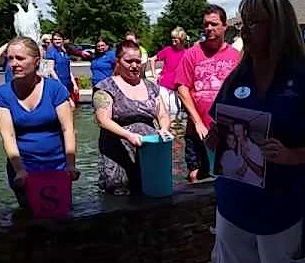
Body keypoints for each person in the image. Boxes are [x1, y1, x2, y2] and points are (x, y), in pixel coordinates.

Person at [205, 0, 305, 263]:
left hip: (285, 208)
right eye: (241, 23)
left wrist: (293, 156)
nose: (244, 32)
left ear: (278, 26)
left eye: (253, 23)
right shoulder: (237, 77)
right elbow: (218, 129)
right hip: (233, 206)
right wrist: (214, 140)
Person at [0, 36, 78, 207]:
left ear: (36, 61)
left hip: (57, 166)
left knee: (61, 216)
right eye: (10, 59)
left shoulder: (55, 89)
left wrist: (71, 164)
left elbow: (68, 129)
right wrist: (19, 170)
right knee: (29, 215)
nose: (14, 64)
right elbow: (8, 135)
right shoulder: (2, 95)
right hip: (23, 168)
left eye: (20, 58)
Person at [92, 40, 171, 196]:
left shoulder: (151, 87)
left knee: (150, 194)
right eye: (128, 61)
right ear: (118, 62)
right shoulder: (105, 87)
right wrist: (129, 135)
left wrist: (164, 129)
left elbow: (162, 114)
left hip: (148, 151)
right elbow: (103, 120)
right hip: (118, 151)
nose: (134, 65)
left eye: (137, 61)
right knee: (119, 197)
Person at [175, 4, 240, 182]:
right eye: (206, 25)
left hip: (227, 132)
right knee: (196, 176)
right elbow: (182, 88)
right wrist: (197, 121)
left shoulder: (235, 56)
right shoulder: (191, 54)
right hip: (197, 131)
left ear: (225, 26)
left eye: (214, 24)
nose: (209, 28)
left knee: (227, 176)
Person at [149, 27, 187, 120]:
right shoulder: (167, 50)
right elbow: (152, 59)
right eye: (172, 38)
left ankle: (174, 132)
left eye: (175, 38)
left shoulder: (186, 53)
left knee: (175, 111)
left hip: (177, 87)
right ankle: (164, 130)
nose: (173, 40)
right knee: (164, 110)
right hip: (164, 85)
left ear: (182, 39)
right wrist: (154, 74)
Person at [46, 31, 79, 107]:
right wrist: (60, 85)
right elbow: (51, 70)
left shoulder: (63, 52)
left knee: (71, 106)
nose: (57, 41)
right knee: (68, 105)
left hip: (67, 83)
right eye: (55, 39)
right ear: (52, 41)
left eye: (59, 39)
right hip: (58, 83)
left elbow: (68, 69)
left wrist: (74, 84)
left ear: (62, 40)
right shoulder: (51, 52)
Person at [232, 121, 264, 187]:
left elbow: (260, 173)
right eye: (235, 131)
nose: (236, 133)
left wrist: (246, 158)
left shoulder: (255, 148)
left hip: (255, 185)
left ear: (245, 132)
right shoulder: (237, 146)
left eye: (239, 130)